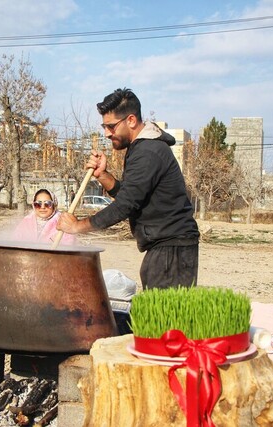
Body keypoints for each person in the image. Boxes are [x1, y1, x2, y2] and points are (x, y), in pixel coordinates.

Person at [57, 88, 200, 289]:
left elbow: (125, 205)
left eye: (111, 126)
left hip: (171, 250)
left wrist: (77, 227)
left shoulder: (148, 151)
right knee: (160, 314)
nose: (107, 133)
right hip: (167, 248)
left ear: (131, 120)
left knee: (167, 318)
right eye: (104, 127)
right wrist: (103, 176)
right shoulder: (142, 148)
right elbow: (132, 195)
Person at [12, 188, 78, 245]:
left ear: (54, 204)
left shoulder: (63, 222)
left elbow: (69, 246)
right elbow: (15, 242)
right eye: (38, 204)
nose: (42, 207)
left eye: (47, 204)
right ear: (33, 205)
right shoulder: (26, 221)